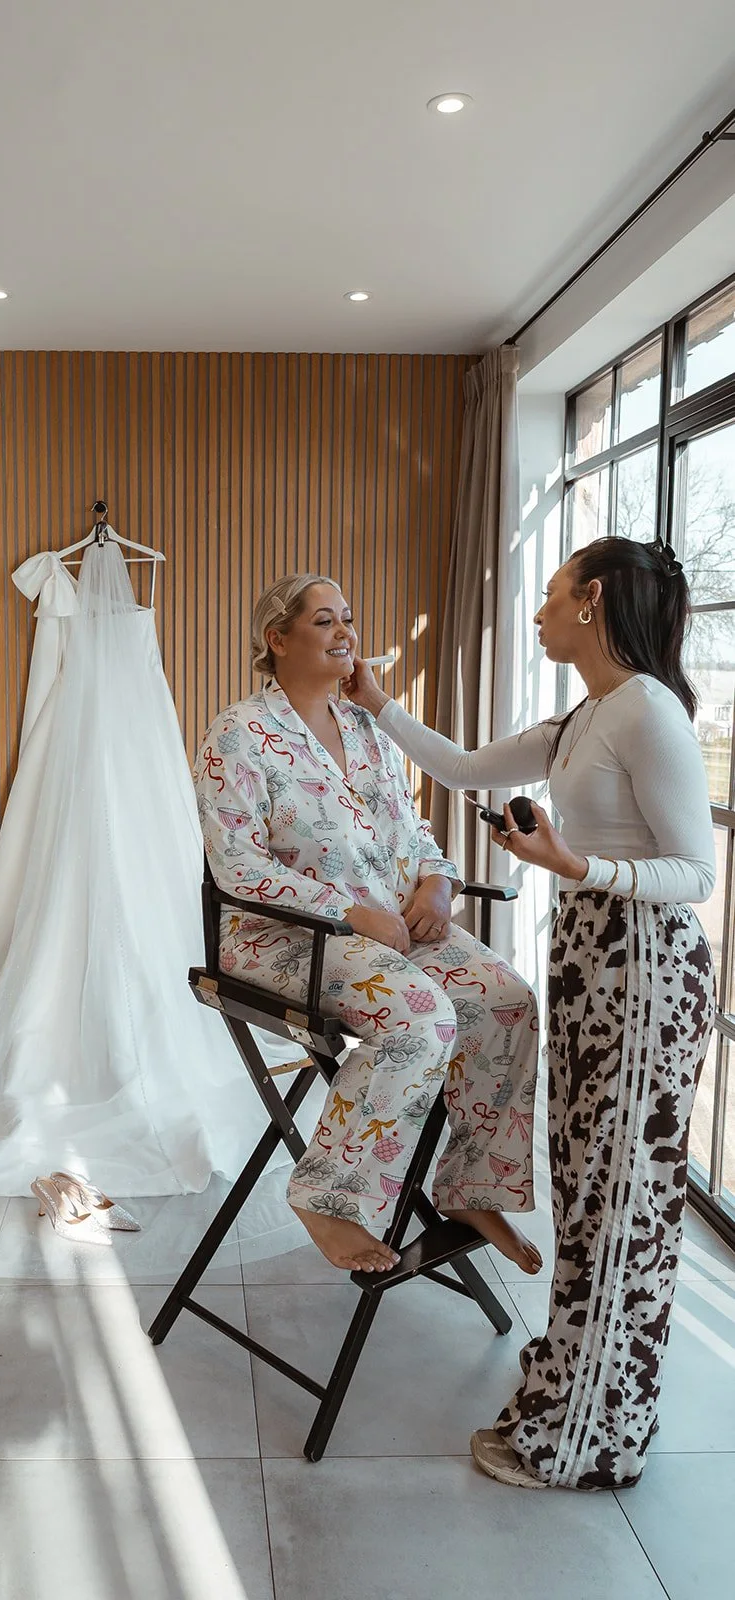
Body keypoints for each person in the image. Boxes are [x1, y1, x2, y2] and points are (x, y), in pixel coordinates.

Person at [357, 535, 716, 1491]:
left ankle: (592, 1441)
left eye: (551, 594)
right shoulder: (584, 716)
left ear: (592, 601)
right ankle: (570, 1387)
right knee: (588, 1194)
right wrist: (372, 700)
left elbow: (694, 874)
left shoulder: (648, 713)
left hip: (641, 977)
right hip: (591, 970)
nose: (539, 610)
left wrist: (570, 866)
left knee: (621, 1203)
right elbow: (467, 766)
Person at [194, 573, 543, 1280]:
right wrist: (350, 913)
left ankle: (469, 1189)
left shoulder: (366, 727)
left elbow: (410, 830)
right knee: (418, 1018)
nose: (344, 633)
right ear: (277, 639)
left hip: (391, 925)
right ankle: (330, 1198)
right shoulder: (239, 732)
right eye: (324, 621)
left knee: (505, 999)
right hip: (285, 936)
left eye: (347, 618)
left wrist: (437, 883)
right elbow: (236, 864)